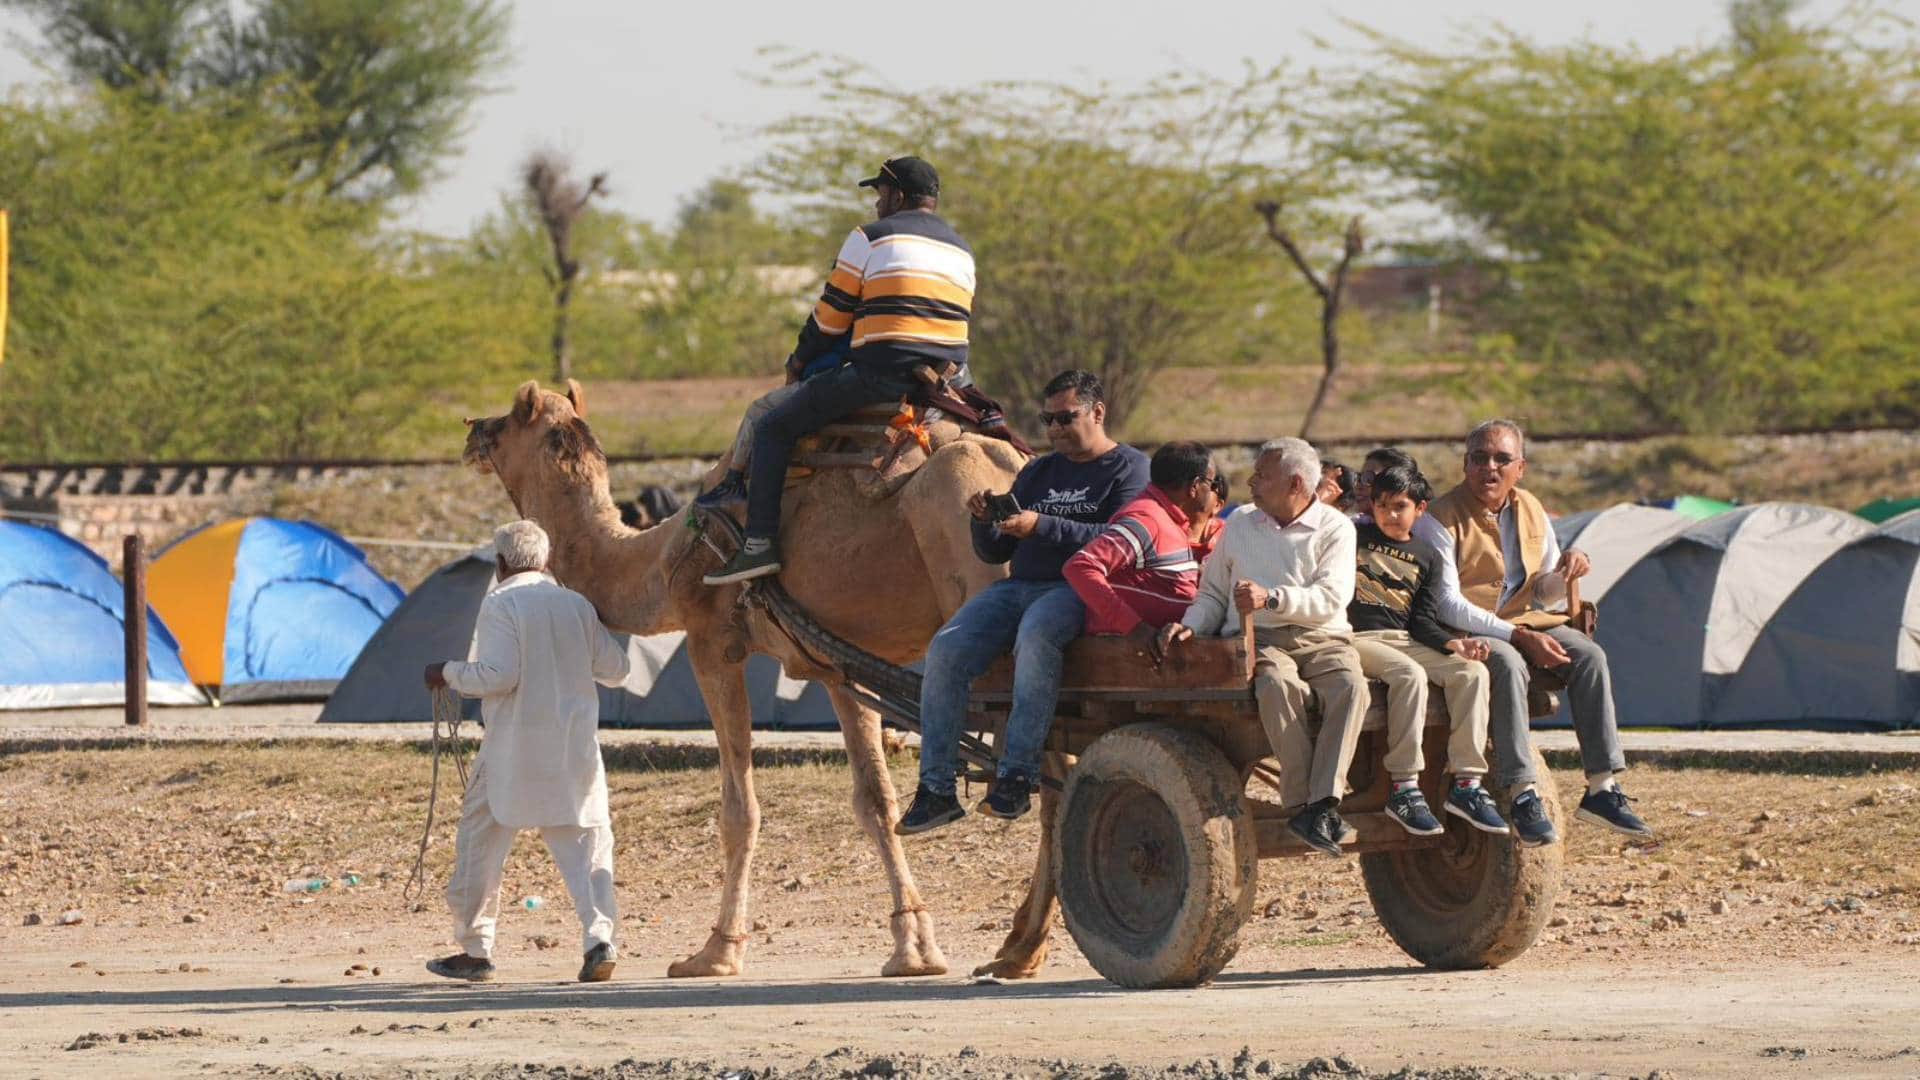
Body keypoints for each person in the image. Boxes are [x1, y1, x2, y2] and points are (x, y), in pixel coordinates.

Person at [897, 370, 1149, 833]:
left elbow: (1122, 540)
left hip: (1081, 589)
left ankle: (1016, 776)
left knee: (1036, 636)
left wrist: (1042, 526)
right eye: (1046, 419)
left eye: (1065, 418)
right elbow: (996, 552)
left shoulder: (1129, 468)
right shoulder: (1038, 471)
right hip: (1017, 586)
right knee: (946, 648)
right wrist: (986, 522)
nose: (1053, 429)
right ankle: (936, 789)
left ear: (1098, 412)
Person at [704, 156, 975, 584]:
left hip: (883, 372)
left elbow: (830, 318)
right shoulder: (961, 248)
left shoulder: (869, 237)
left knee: (774, 427)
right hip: (948, 379)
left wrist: (798, 361)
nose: (876, 205)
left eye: (880, 195)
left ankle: (758, 546)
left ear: (898, 196)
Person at [1411, 419, 1652, 847]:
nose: (1490, 467)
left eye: (1502, 459)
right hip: (1462, 631)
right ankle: (1522, 793)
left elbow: (1543, 592)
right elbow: (1447, 603)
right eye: (1479, 458)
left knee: (1590, 656)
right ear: (1465, 465)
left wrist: (1567, 569)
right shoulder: (1439, 519)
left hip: (1524, 620)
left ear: (1519, 469)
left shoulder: (1531, 508)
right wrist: (1518, 638)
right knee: (1504, 663)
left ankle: (1602, 787)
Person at [422, 521, 635, 984]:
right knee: (589, 850)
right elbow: (617, 669)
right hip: (573, 749)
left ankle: (476, 951)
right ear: (546, 560)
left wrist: (449, 672)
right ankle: (599, 941)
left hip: (512, 750)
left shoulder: (501, 602)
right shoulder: (576, 604)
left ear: (500, 565)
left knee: (479, 846)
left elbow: (499, 675)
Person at [1157, 438, 1366, 856]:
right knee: (1276, 686)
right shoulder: (1241, 524)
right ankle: (1305, 803)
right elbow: (1213, 593)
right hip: (1262, 638)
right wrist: (1189, 628)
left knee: (1352, 688)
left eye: (1262, 476)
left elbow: (1332, 598)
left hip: (1322, 636)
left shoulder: (1336, 528)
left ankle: (1322, 804)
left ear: (1294, 483)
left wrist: (1272, 598)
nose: (1250, 482)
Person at [1346, 464, 1509, 838]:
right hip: (1358, 639)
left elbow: (1421, 621)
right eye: (1382, 505)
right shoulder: (1354, 536)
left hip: (1406, 639)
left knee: (1471, 673)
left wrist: (1456, 644)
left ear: (1420, 509)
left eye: (1399, 506)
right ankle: (1403, 786)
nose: (1389, 514)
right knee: (1409, 675)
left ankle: (1467, 783)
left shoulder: (1428, 555)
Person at [1063, 441, 1219, 651]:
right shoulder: (1146, 520)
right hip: (1125, 658)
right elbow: (1080, 567)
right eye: (1212, 482)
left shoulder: (1169, 518)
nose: (1213, 489)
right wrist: (1134, 628)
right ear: (1194, 486)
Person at [1351, 446, 1417, 523]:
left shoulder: (1419, 531)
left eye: (1368, 478)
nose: (1358, 486)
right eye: (1359, 477)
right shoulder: (1355, 523)